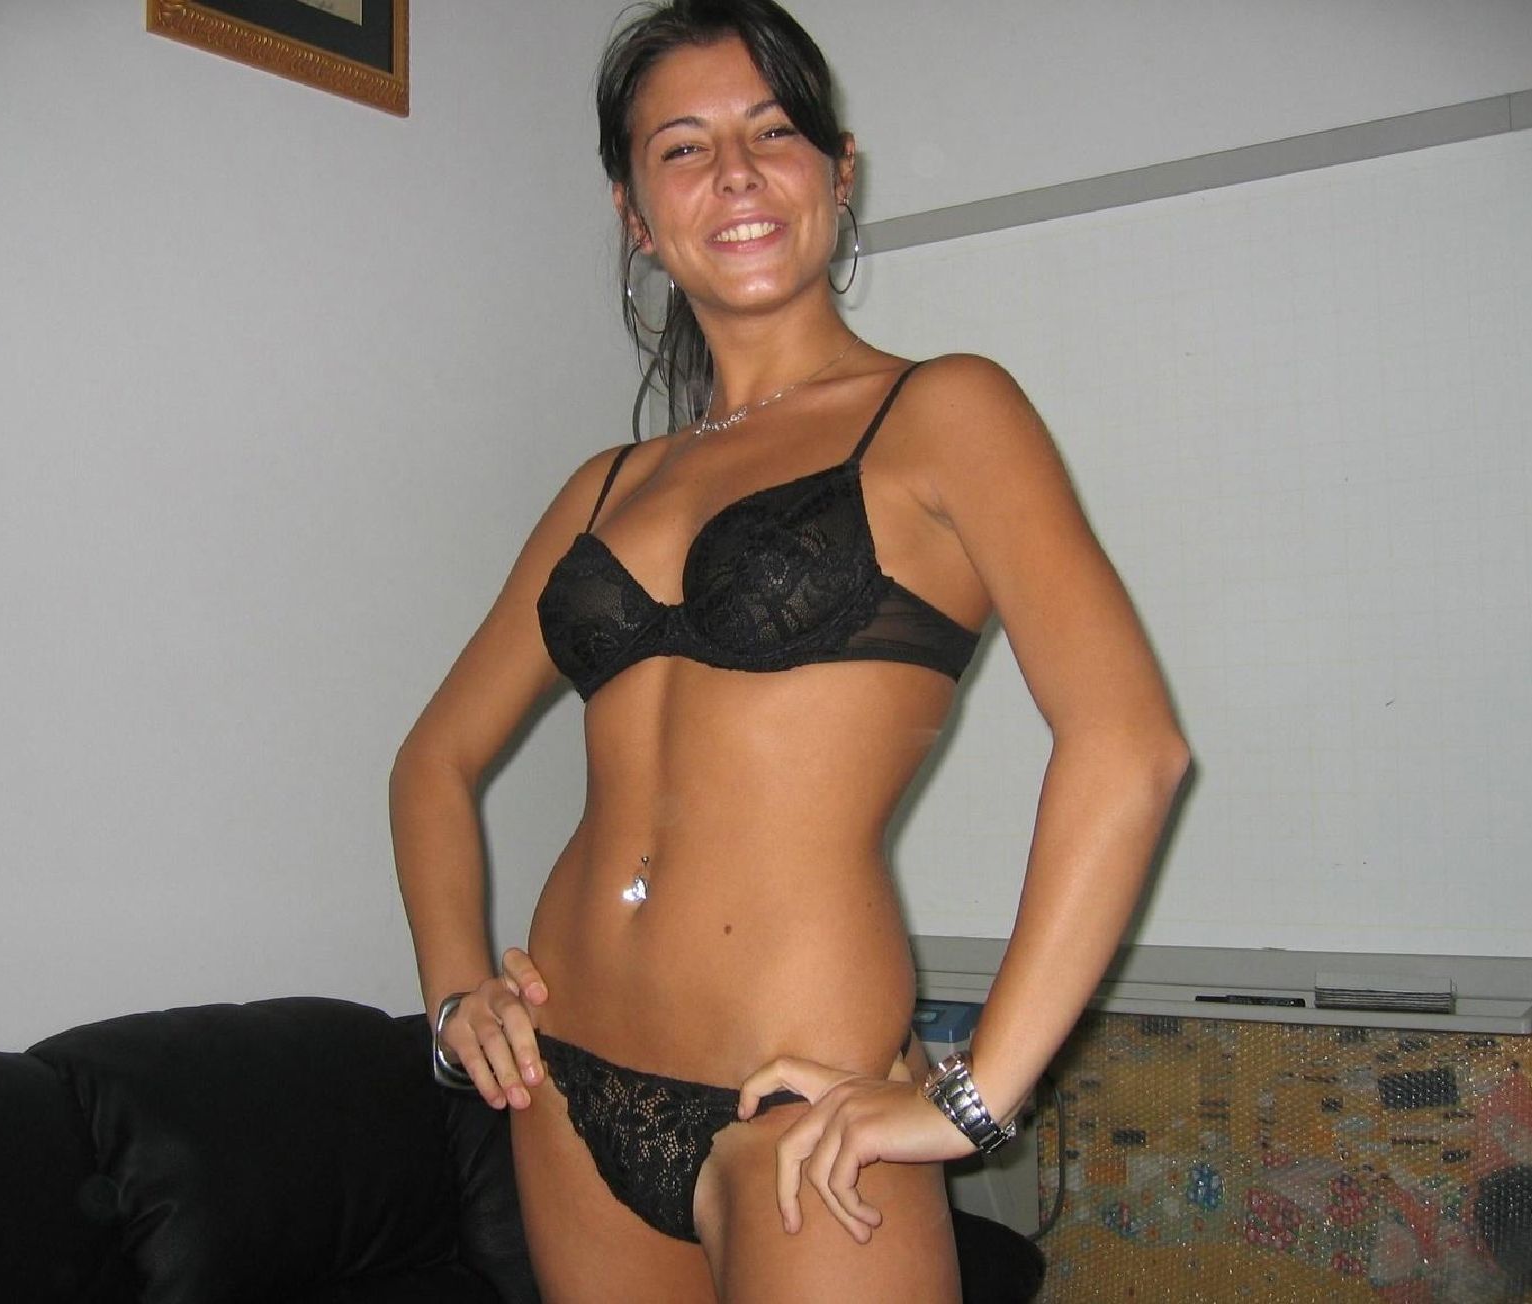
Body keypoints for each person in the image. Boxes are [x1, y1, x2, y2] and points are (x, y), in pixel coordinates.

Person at [389, 2, 1189, 1299]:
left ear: (838, 170)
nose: (737, 174)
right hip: (565, 1079)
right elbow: (432, 759)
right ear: (634, 213)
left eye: (772, 133)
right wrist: (453, 996)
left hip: (799, 1102)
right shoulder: (603, 487)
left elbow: (1130, 748)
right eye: (683, 148)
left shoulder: (944, 412)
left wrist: (977, 1096)